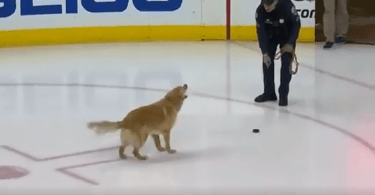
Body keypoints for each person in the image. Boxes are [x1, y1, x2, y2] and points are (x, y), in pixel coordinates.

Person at [254, 0, 301, 106]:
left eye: (269, 5)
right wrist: (265, 52)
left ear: (275, 2)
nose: (267, 7)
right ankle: (269, 93)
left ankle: (283, 95)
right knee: (267, 62)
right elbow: (261, 33)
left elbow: (296, 24)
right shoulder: (260, 11)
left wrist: (290, 43)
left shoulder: (286, 5)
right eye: (265, 5)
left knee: (286, 64)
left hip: (287, 35)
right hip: (270, 36)